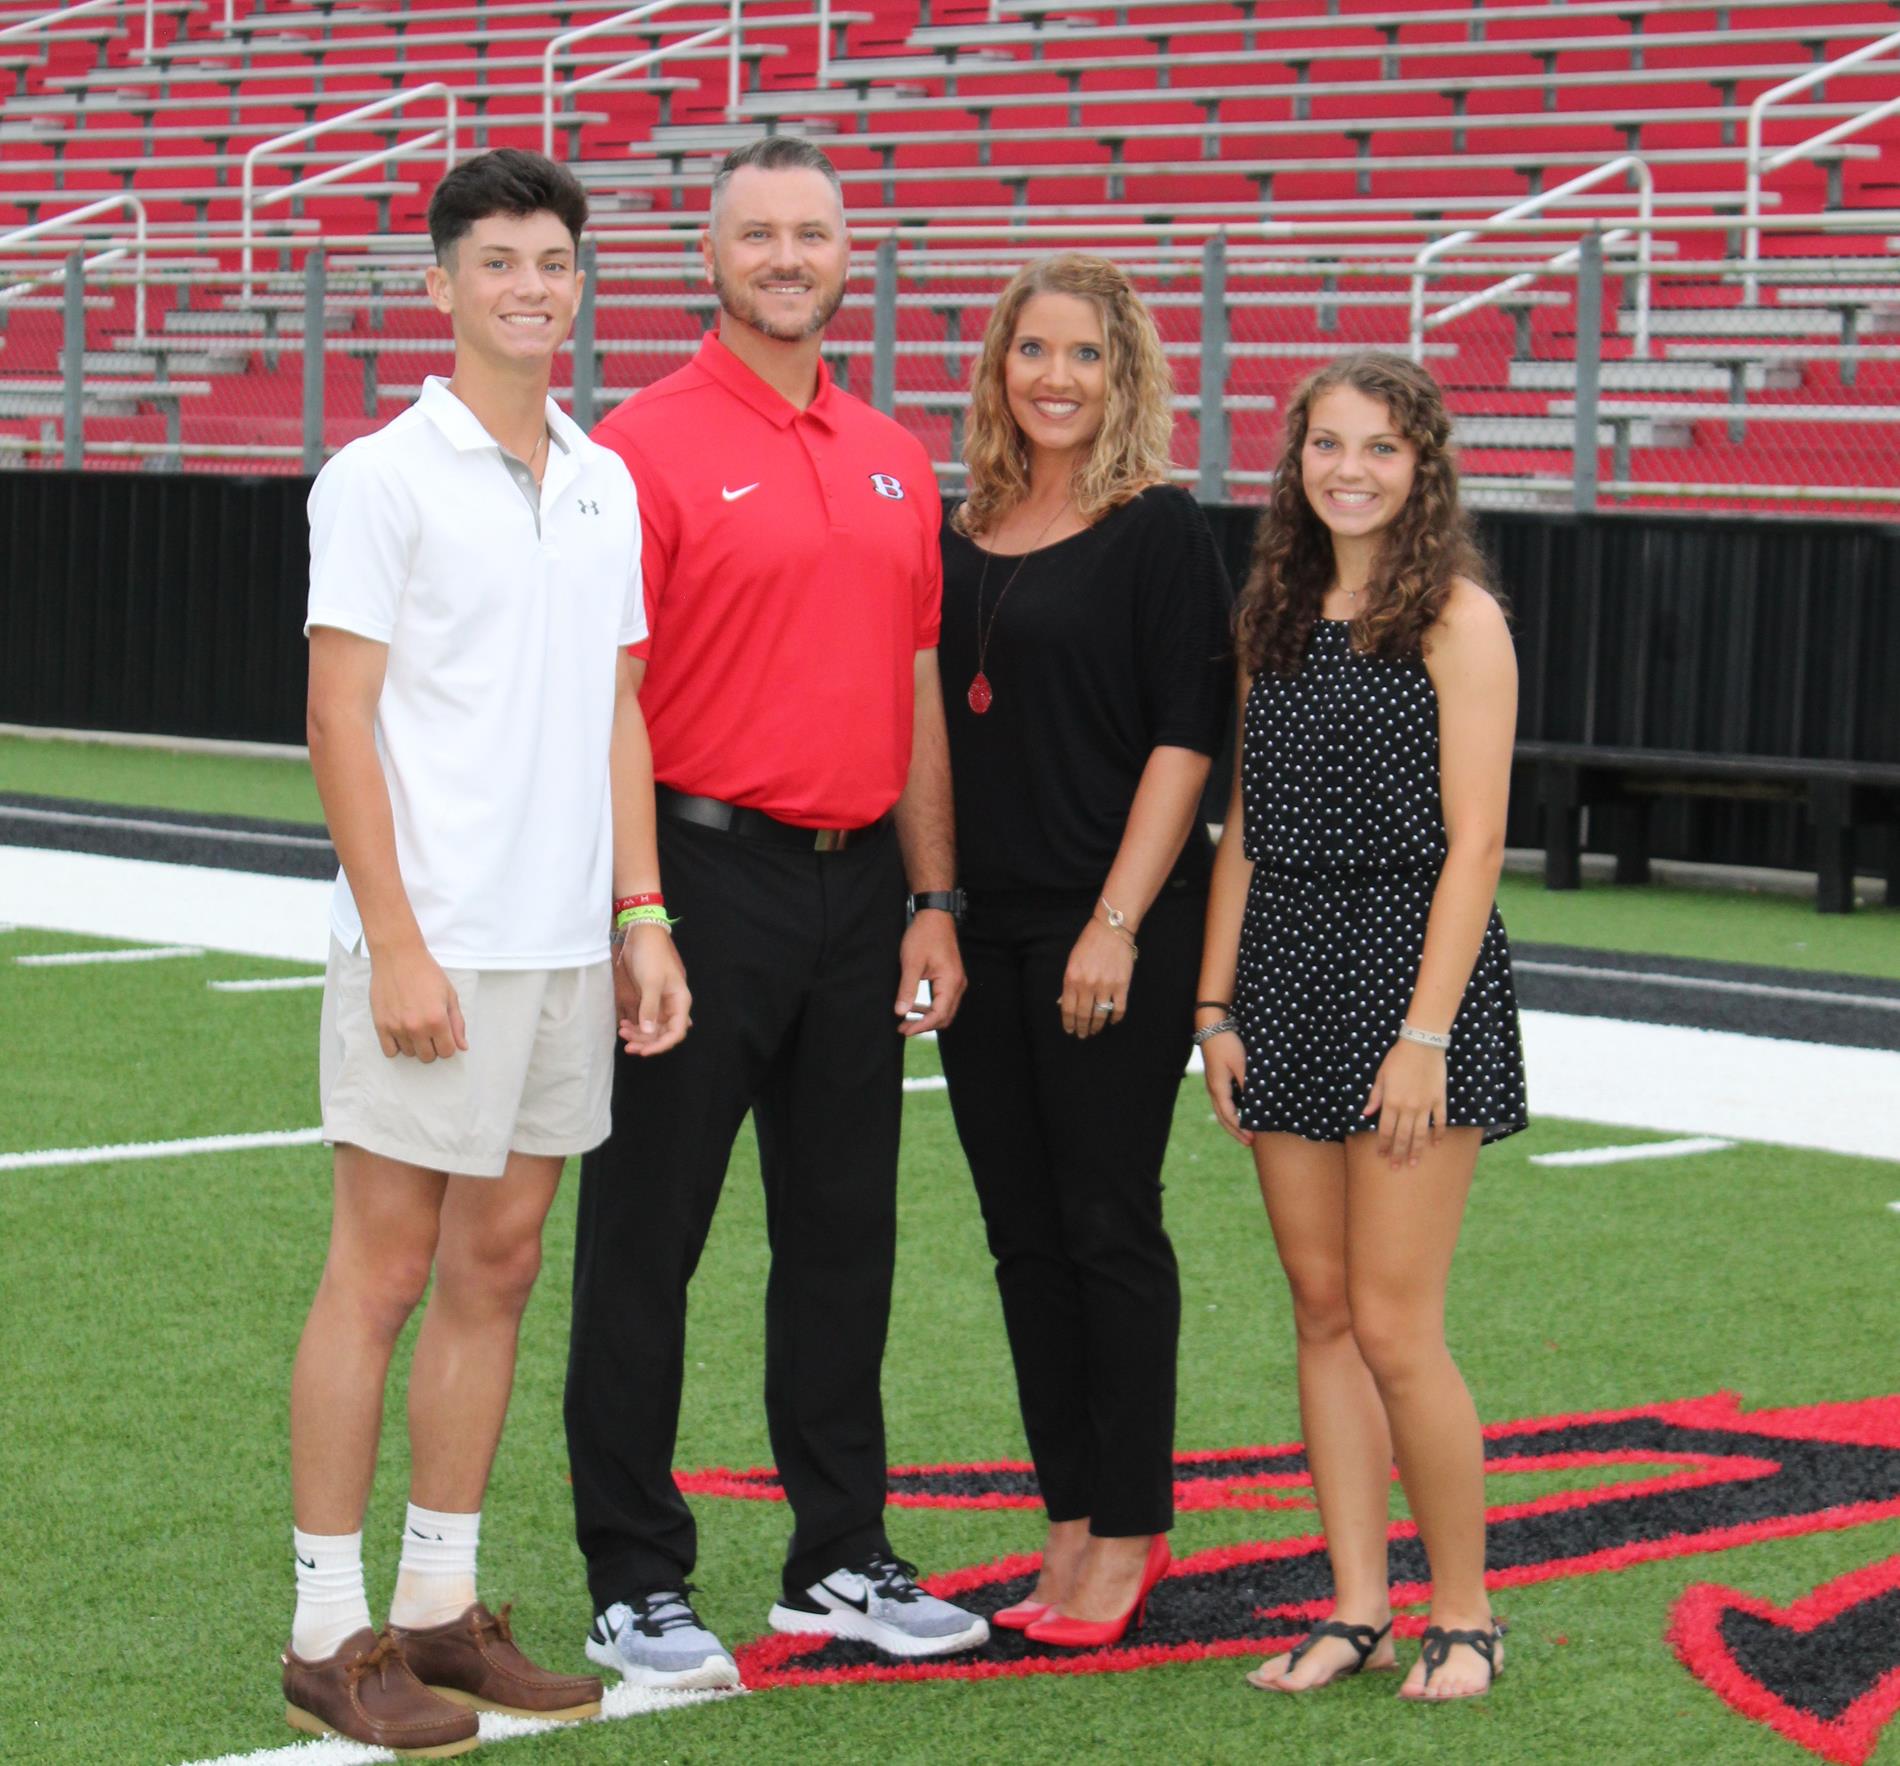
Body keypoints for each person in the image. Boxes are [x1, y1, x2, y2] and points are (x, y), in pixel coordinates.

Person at [564, 135, 988, 1686]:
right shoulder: (639, 447)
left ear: (846, 256)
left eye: (814, 232)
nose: (789, 257)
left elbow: (920, 690)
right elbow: (609, 699)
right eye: (760, 234)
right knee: (646, 1241)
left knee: (841, 1240)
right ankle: (633, 1574)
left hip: (860, 883)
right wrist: (638, 906)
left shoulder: (891, 450)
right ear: (710, 257)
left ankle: (839, 1557)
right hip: (701, 874)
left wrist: (933, 892)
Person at [286, 150, 690, 1754]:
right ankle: (330, 1628)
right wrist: (395, 940)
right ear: (440, 286)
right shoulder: (380, 475)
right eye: (501, 261)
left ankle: (443, 1601)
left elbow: (618, 711)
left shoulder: (604, 478)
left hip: (562, 951)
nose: (534, 286)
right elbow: (337, 715)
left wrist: (642, 915)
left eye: (556, 261)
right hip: (429, 942)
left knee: (499, 1265)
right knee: (379, 1269)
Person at [1197, 350, 1526, 1702]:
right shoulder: (1271, 608)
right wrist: (1213, 1006)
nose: (1349, 468)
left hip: (1413, 983)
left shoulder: (1457, 615)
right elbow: (1246, 831)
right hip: (1280, 977)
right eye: (1326, 443)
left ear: (1422, 464)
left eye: (1379, 446)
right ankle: (1356, 1603)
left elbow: (1479, 841)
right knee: (1320, 1310)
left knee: (1396, 1322)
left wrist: (1425, 1032)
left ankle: (1469, 1611)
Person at [935, 254, 1232, 1648]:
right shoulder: (963, 525)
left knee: (1106, 1222)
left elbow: (1188, 735)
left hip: (1115, 924)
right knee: (1019, 1237)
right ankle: (1066, 1517)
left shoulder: (1159, 529)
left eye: (1086, 355)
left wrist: (1115, 922)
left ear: (1127, 374)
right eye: (1031, 350)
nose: (1055, 376)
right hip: (983, 928)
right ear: (999, 368)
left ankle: (1130, 1526)